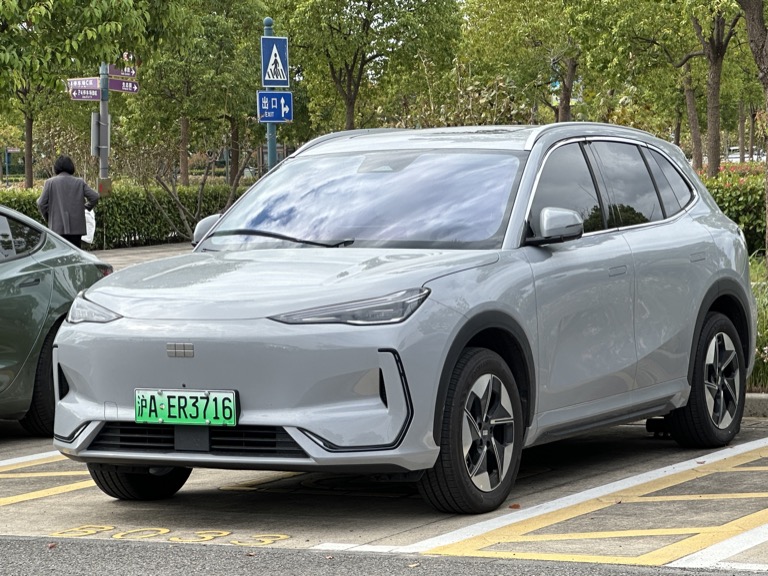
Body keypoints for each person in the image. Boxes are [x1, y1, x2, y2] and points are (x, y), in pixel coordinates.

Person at [37, 155, 99, 248]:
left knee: (59, 257)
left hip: (57, 228)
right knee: (74, 255)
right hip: (76, 229)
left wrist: (49, 218)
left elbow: (41, 203)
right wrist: (85, 207)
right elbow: (94, 197)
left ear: (56, 168)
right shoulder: (79, 182)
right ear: (71, 167)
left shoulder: (50, 183)